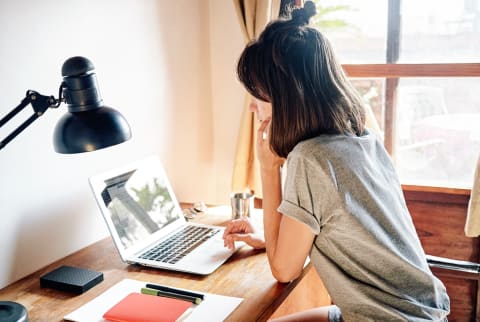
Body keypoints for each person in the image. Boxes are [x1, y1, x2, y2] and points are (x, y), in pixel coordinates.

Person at [223, 2, 450, 321]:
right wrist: (271, 238)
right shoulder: (363, 140)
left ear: (286, 99)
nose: (252, 107)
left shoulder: (311, 157)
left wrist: (268, 167)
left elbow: (284, 270)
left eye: (258, 94)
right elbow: (341, 229)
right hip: (419, 311)